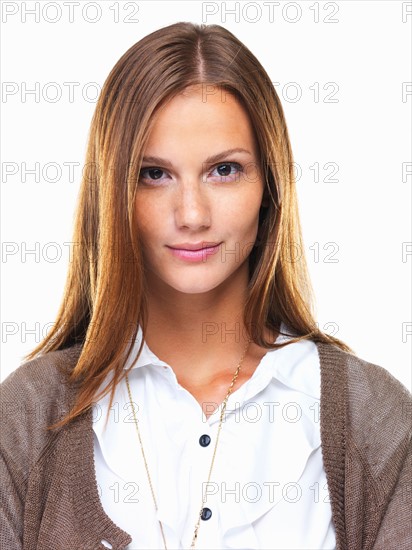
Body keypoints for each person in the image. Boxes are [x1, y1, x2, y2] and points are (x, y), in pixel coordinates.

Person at [1, 21, 411, 550]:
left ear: (269, 185)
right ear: (112, 191)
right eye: (154, 174)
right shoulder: (26, 419)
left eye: (224, 170)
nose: (191, 214)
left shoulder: (372, 420)